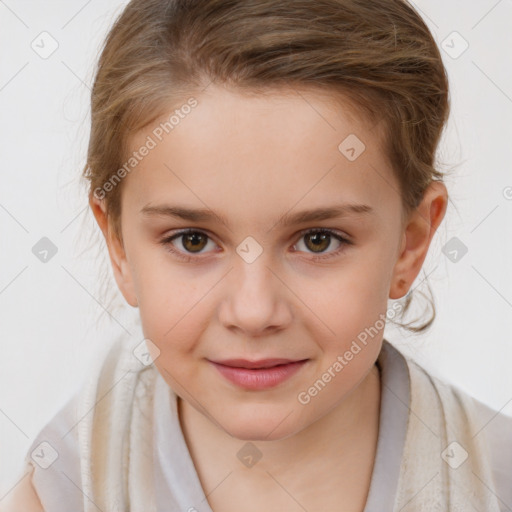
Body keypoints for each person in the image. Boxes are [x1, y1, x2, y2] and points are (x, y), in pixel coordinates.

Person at [2, 0, 511, 510]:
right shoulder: (61, 491)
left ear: (411, 242)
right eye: (192, 240)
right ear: (118, 246)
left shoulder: (494, 479)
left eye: (318, 240)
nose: (253, 311)